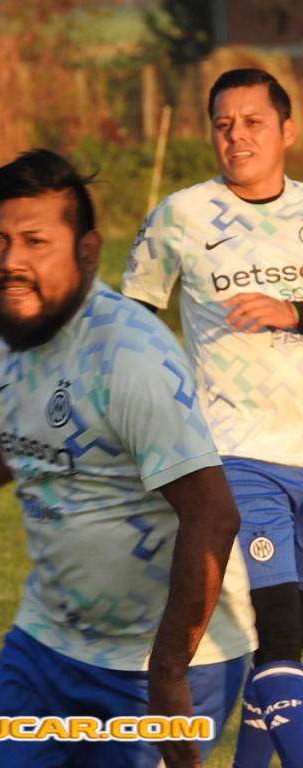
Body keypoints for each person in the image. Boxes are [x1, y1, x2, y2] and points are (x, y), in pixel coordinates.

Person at [0, 148, 256, 768]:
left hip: (157, 666)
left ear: (87, 251)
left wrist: (169, 673)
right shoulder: (19, 320)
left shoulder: (130, 358)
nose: (11, 261)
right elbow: (19, 430)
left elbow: (212, 515)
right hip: (46, 646)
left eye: (35, 241)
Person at [122, 67, 303, 768]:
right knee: (281, 632)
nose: (237, 136)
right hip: (238, 458)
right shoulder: (182, 216)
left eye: (253, 122)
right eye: (224, 124)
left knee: (284, 656)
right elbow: (131, 320)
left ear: (287, 131)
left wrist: (293, 312)